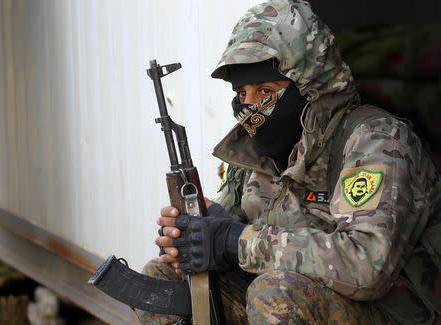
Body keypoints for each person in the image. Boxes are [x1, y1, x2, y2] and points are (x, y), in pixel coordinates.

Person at [136, 0, 441, 324]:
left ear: (310, 88)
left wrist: (234, 241)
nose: (249, 108)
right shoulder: (258, 153)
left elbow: (366, 265)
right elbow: (228, 235)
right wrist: (197, 239)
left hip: (392, 311)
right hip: (291, 300)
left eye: (265, 92)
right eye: (242, 94)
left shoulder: (374, 142)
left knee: (276, 294)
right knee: (161, 280)